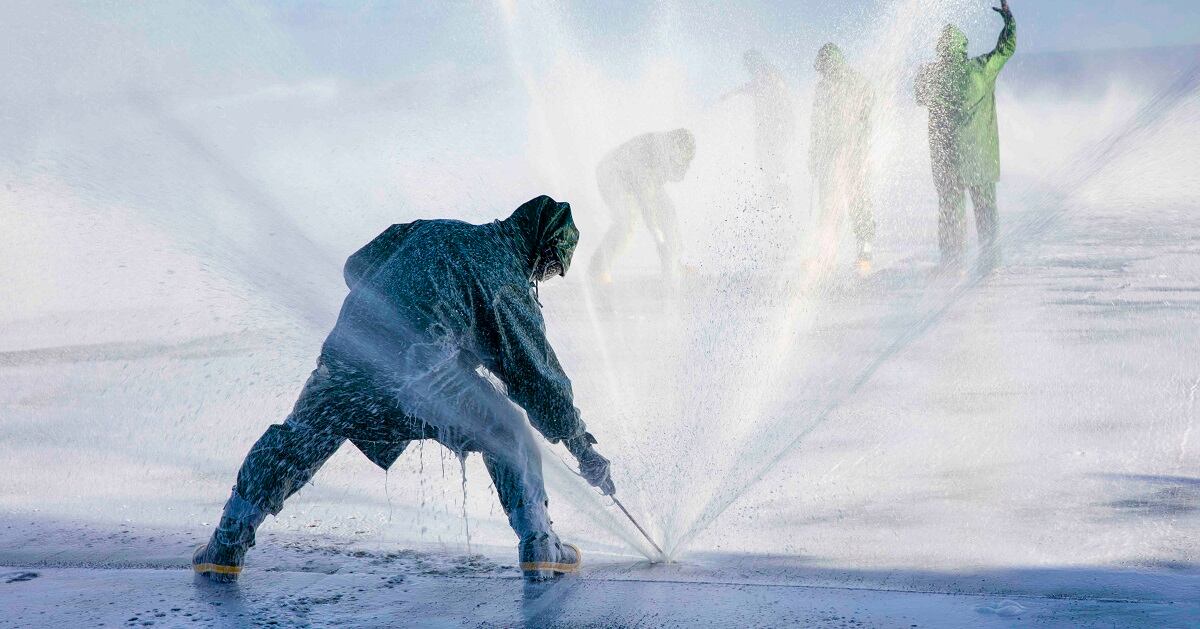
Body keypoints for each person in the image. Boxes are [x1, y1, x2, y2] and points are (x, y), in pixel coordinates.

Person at [193, 196, 618, 583]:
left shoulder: (430, 229)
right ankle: (540, 545)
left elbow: (356, 266)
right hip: (421, 378)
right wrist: (582, 448)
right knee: (509, 432)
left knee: (299, 440)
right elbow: (539, 381)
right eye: (551, 269)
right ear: (541, 251)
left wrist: (398, 310)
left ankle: (226, 545)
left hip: (346, 356)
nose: (545, 277)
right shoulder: (507, 281)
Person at [915, 0, 1016, 271]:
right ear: (963, 47)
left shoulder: (932, 76)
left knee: (951, 214)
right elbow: (1006, 49)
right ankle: (991, 264)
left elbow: (919, 94)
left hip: (948, 162)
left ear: (941, 48)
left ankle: (952, 265)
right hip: (980, 159)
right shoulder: (981, 68)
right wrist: (1008, 20)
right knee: (986, 213)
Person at [589, 129, 695, 285]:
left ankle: (680, 261)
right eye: (678, 163)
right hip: (613, 176)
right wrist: (661, 243)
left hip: (636, 179)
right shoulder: (651, 157)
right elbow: (647, 206)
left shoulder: (667, 151)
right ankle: (598, 270)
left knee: (668, 212)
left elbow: (659, 205)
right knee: (626, 222)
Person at [810, 42, 877, 275]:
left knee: (858, 203)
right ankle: (827, 256)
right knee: (829, 206)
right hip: (832, 157)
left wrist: (855, 138)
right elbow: (816, 125)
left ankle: (864, 254)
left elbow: (866, 114)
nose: (823, 73)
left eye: (825, 68)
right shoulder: (823, 88)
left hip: (855, 155)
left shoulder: (857, 83)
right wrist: (814, 154)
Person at [724, 50, 795, 205]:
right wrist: (734, 93)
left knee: (772, 157)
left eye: (749, 64)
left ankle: (780, 192)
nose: (748, 68)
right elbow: (754, 87)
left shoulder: (768, 74)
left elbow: (777, 94)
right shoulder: (765, 75)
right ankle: (774, 190)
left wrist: (784, 123)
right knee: (766, 157)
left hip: (775, 125)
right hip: (769, 126)